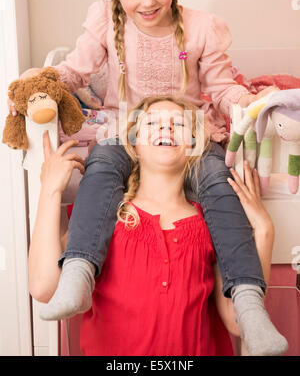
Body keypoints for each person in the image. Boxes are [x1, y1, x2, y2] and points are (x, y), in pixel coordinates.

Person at [10, 0, 286, 355]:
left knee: (220, 186)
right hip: (124, 128)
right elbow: (76, 71)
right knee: (101, 168)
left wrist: (252, 100)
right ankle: (80, 271)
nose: (148, 2)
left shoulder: (199, 28)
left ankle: (249, 303)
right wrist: (43, 80)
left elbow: (221, 86)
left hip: (188, 132)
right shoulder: (105, 22)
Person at [29, 95, 281, 356]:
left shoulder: (210, 223)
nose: (166, 128)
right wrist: (50, 190)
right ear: (134, 145)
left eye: (179, 125)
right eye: (151, 123)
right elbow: (43, 287)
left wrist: (264, 230)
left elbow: (235, 321)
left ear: (195, 146)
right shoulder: (105, 217)